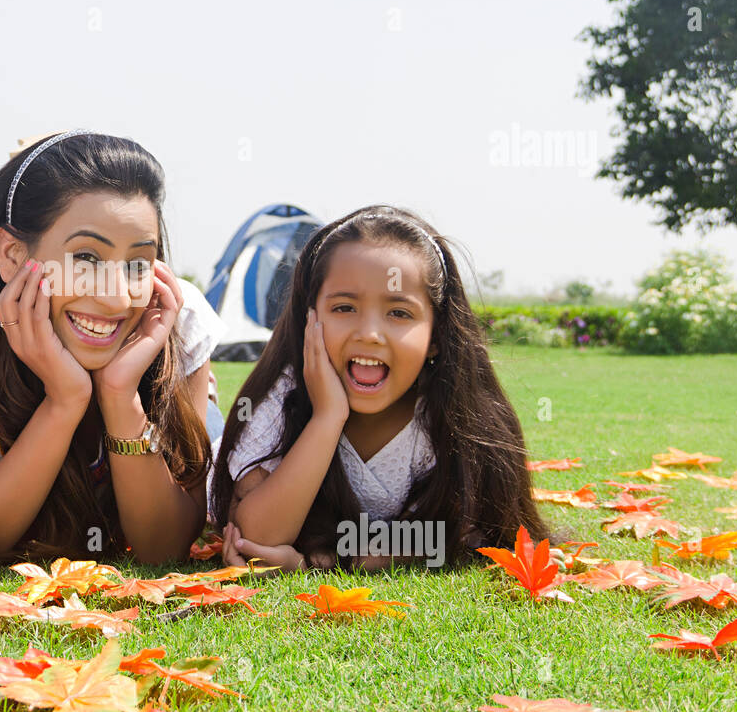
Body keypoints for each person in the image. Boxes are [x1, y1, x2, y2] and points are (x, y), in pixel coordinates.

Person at [0, 129, 226, 564]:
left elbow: (162, 549)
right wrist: (65, 401)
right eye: (87, 258)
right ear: (13, 255)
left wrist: (120, 394)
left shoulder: (173, 317)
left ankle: (32, 169)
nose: (116, 298)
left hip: (175, 397)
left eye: (137, 263)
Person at [210, 205, 552, 572]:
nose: (369, 334)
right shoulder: (284, 396)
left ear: (436, 335)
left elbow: (461, 536)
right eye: (344, 307)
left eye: (399, 313)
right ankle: (205, 399)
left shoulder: (457, 416)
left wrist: (321, 562)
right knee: (203, 432)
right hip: (209, 461)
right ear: (310, 318)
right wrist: (327, 418)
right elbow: (255, 538)